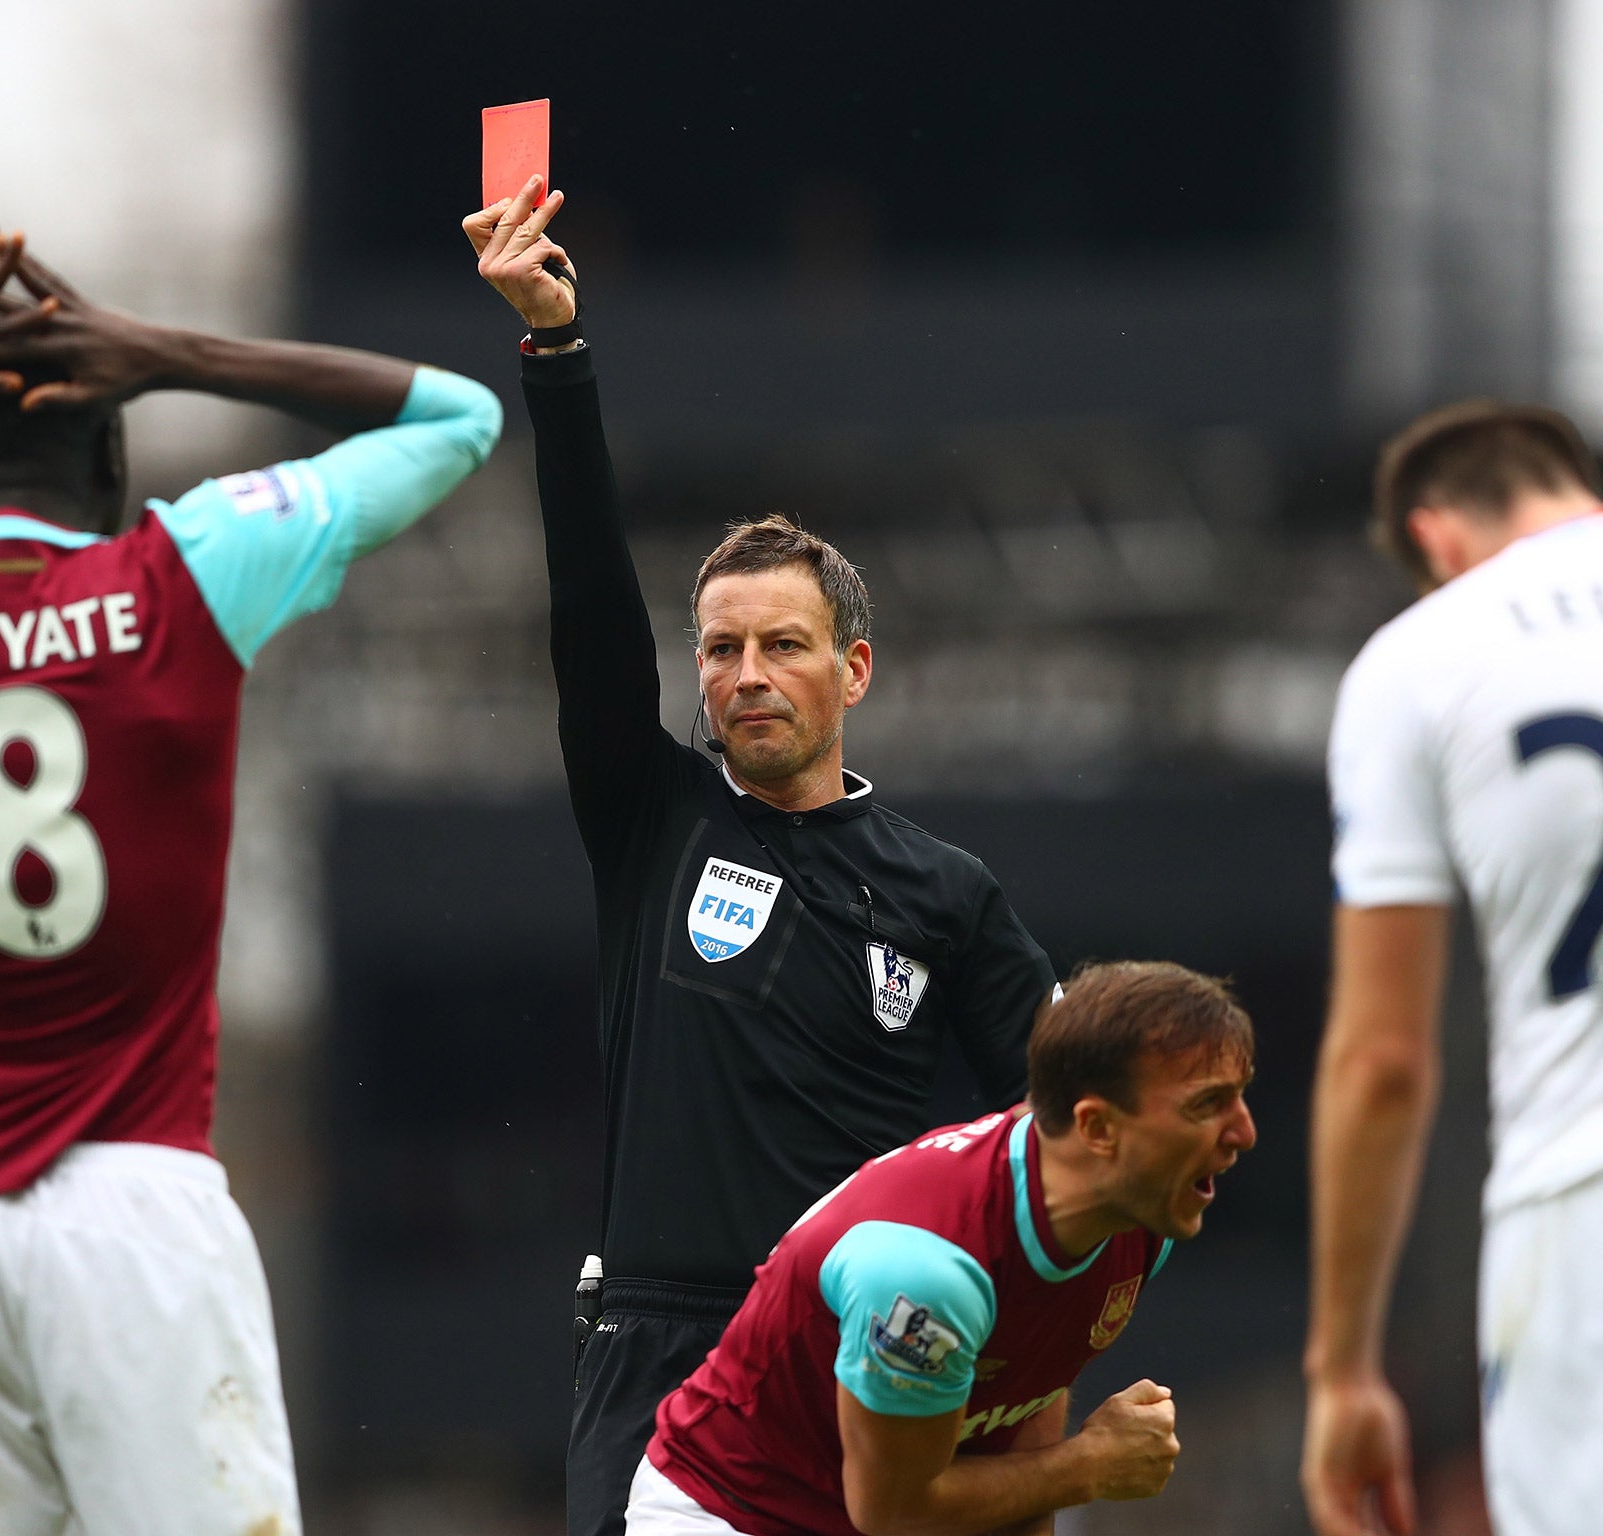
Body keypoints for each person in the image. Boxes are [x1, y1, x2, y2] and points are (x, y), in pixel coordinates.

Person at [0, 227, 503, 1536]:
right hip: (134, 1214)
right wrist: (162, 352)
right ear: (115, 455)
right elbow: (459, 416)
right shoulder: (187, 573)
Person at [465, 181, 1060, 1536]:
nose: (745, 675)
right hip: (654, 1343)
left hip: (840, 1340)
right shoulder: (653, 818)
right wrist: (558, 354)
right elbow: (593, 615)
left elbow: (1060, 1127)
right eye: (721, 648)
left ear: (853, 669)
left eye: (782, 645)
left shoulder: (944, 892)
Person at [627, 960, 1255, 1535]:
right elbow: (894, 1511)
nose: (1244, 1133)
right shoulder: (928, 1271)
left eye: (1240, 1096)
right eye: (1207, 1105)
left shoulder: (1138, 1216)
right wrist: (1089, 1466)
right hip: (730, 1515)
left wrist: (1063, 1469)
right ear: (1096, 1127)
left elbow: (1027, 1400)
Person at [1303, 400, 1603, 1536]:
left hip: (1569, 1210)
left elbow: (1380, 1061)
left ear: (1431, 539)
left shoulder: (1418, 660)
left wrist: (1341, 1371)